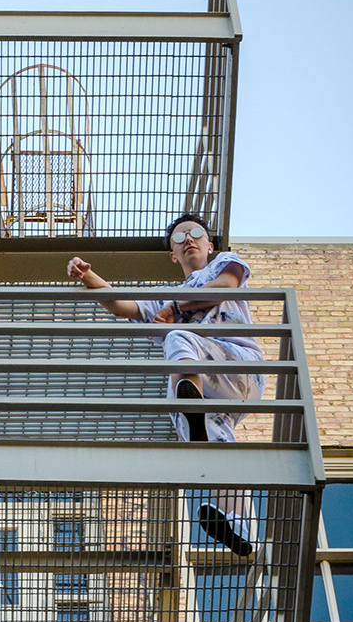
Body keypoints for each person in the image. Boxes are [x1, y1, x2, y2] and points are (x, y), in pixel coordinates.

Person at [66, 213, 265, 556]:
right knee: (219, 443)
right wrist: (88, 276)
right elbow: (124, 306)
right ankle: (239, 524)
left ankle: (190, 405)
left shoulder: (224, 265)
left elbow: (226, 287)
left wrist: (176, 308)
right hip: (216, 390)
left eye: (196, 233)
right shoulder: (163, 297)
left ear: (209, 244)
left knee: (178, 338)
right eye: (179, 238)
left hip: (239, 366)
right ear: (173, 255)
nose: (188, 239)